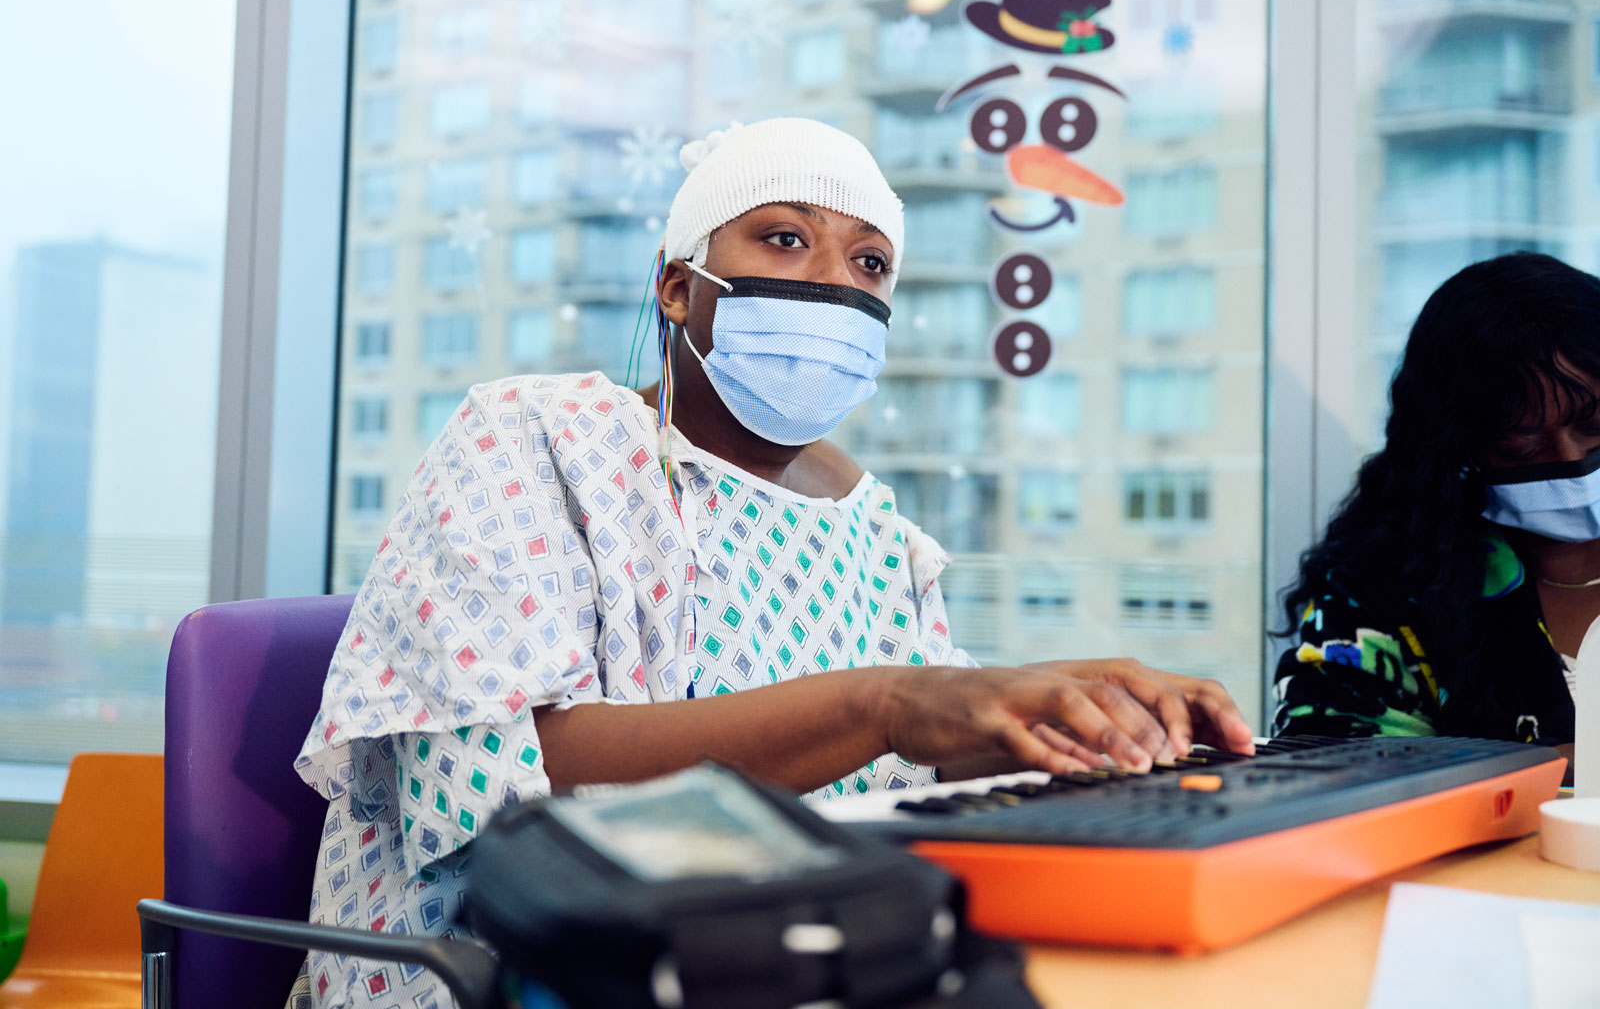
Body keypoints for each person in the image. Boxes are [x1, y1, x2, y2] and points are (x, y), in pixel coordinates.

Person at [290, 118, 1254, 1008]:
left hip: (776, 956)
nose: (832, 283)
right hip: (506, 966)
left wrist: (1059, 706)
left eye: (869, 262)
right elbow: (509, 789)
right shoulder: (534, 438)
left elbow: (919, 746)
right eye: (785, 238)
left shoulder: (874, 526)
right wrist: (880, 702)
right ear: (677, 284)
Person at [1273, 252, 1589, 778]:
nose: (1572, 461)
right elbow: (1329, 772)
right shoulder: (1380, 589)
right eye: (1522, 447)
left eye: (1595, 426)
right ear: (1458, 450)